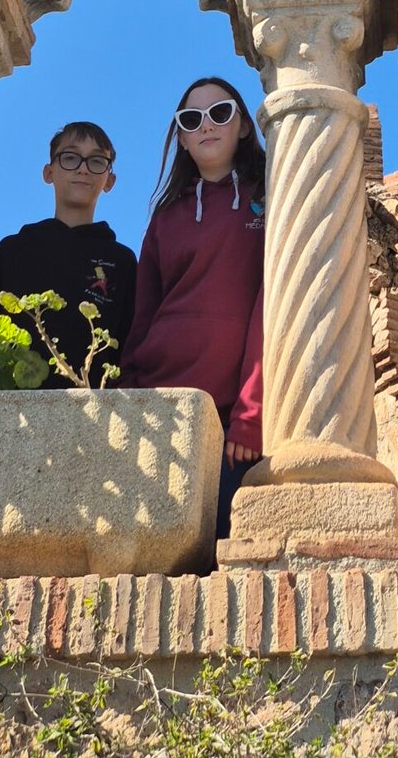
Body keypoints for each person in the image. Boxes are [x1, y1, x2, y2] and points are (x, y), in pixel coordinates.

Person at [122, 76, 265, 537]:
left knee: (215, 556)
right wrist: (127, 396)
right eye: (191, 119)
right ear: (182, 139)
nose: (206, 125)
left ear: (242, 125)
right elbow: (143, 315)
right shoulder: (166, 217)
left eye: (220, 113)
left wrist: (250, 414)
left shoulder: (269, 196)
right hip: (157, 408)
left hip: (230, 425)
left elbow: (270, 308)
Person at [0, 120, 136, 386]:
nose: (83, 169)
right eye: (70, 158)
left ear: (110, 180)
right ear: (49, 172)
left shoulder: (122, 261)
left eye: (96, 161)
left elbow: (130, 343)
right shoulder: (13, 249)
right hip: (7, 406)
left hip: (93, 409)